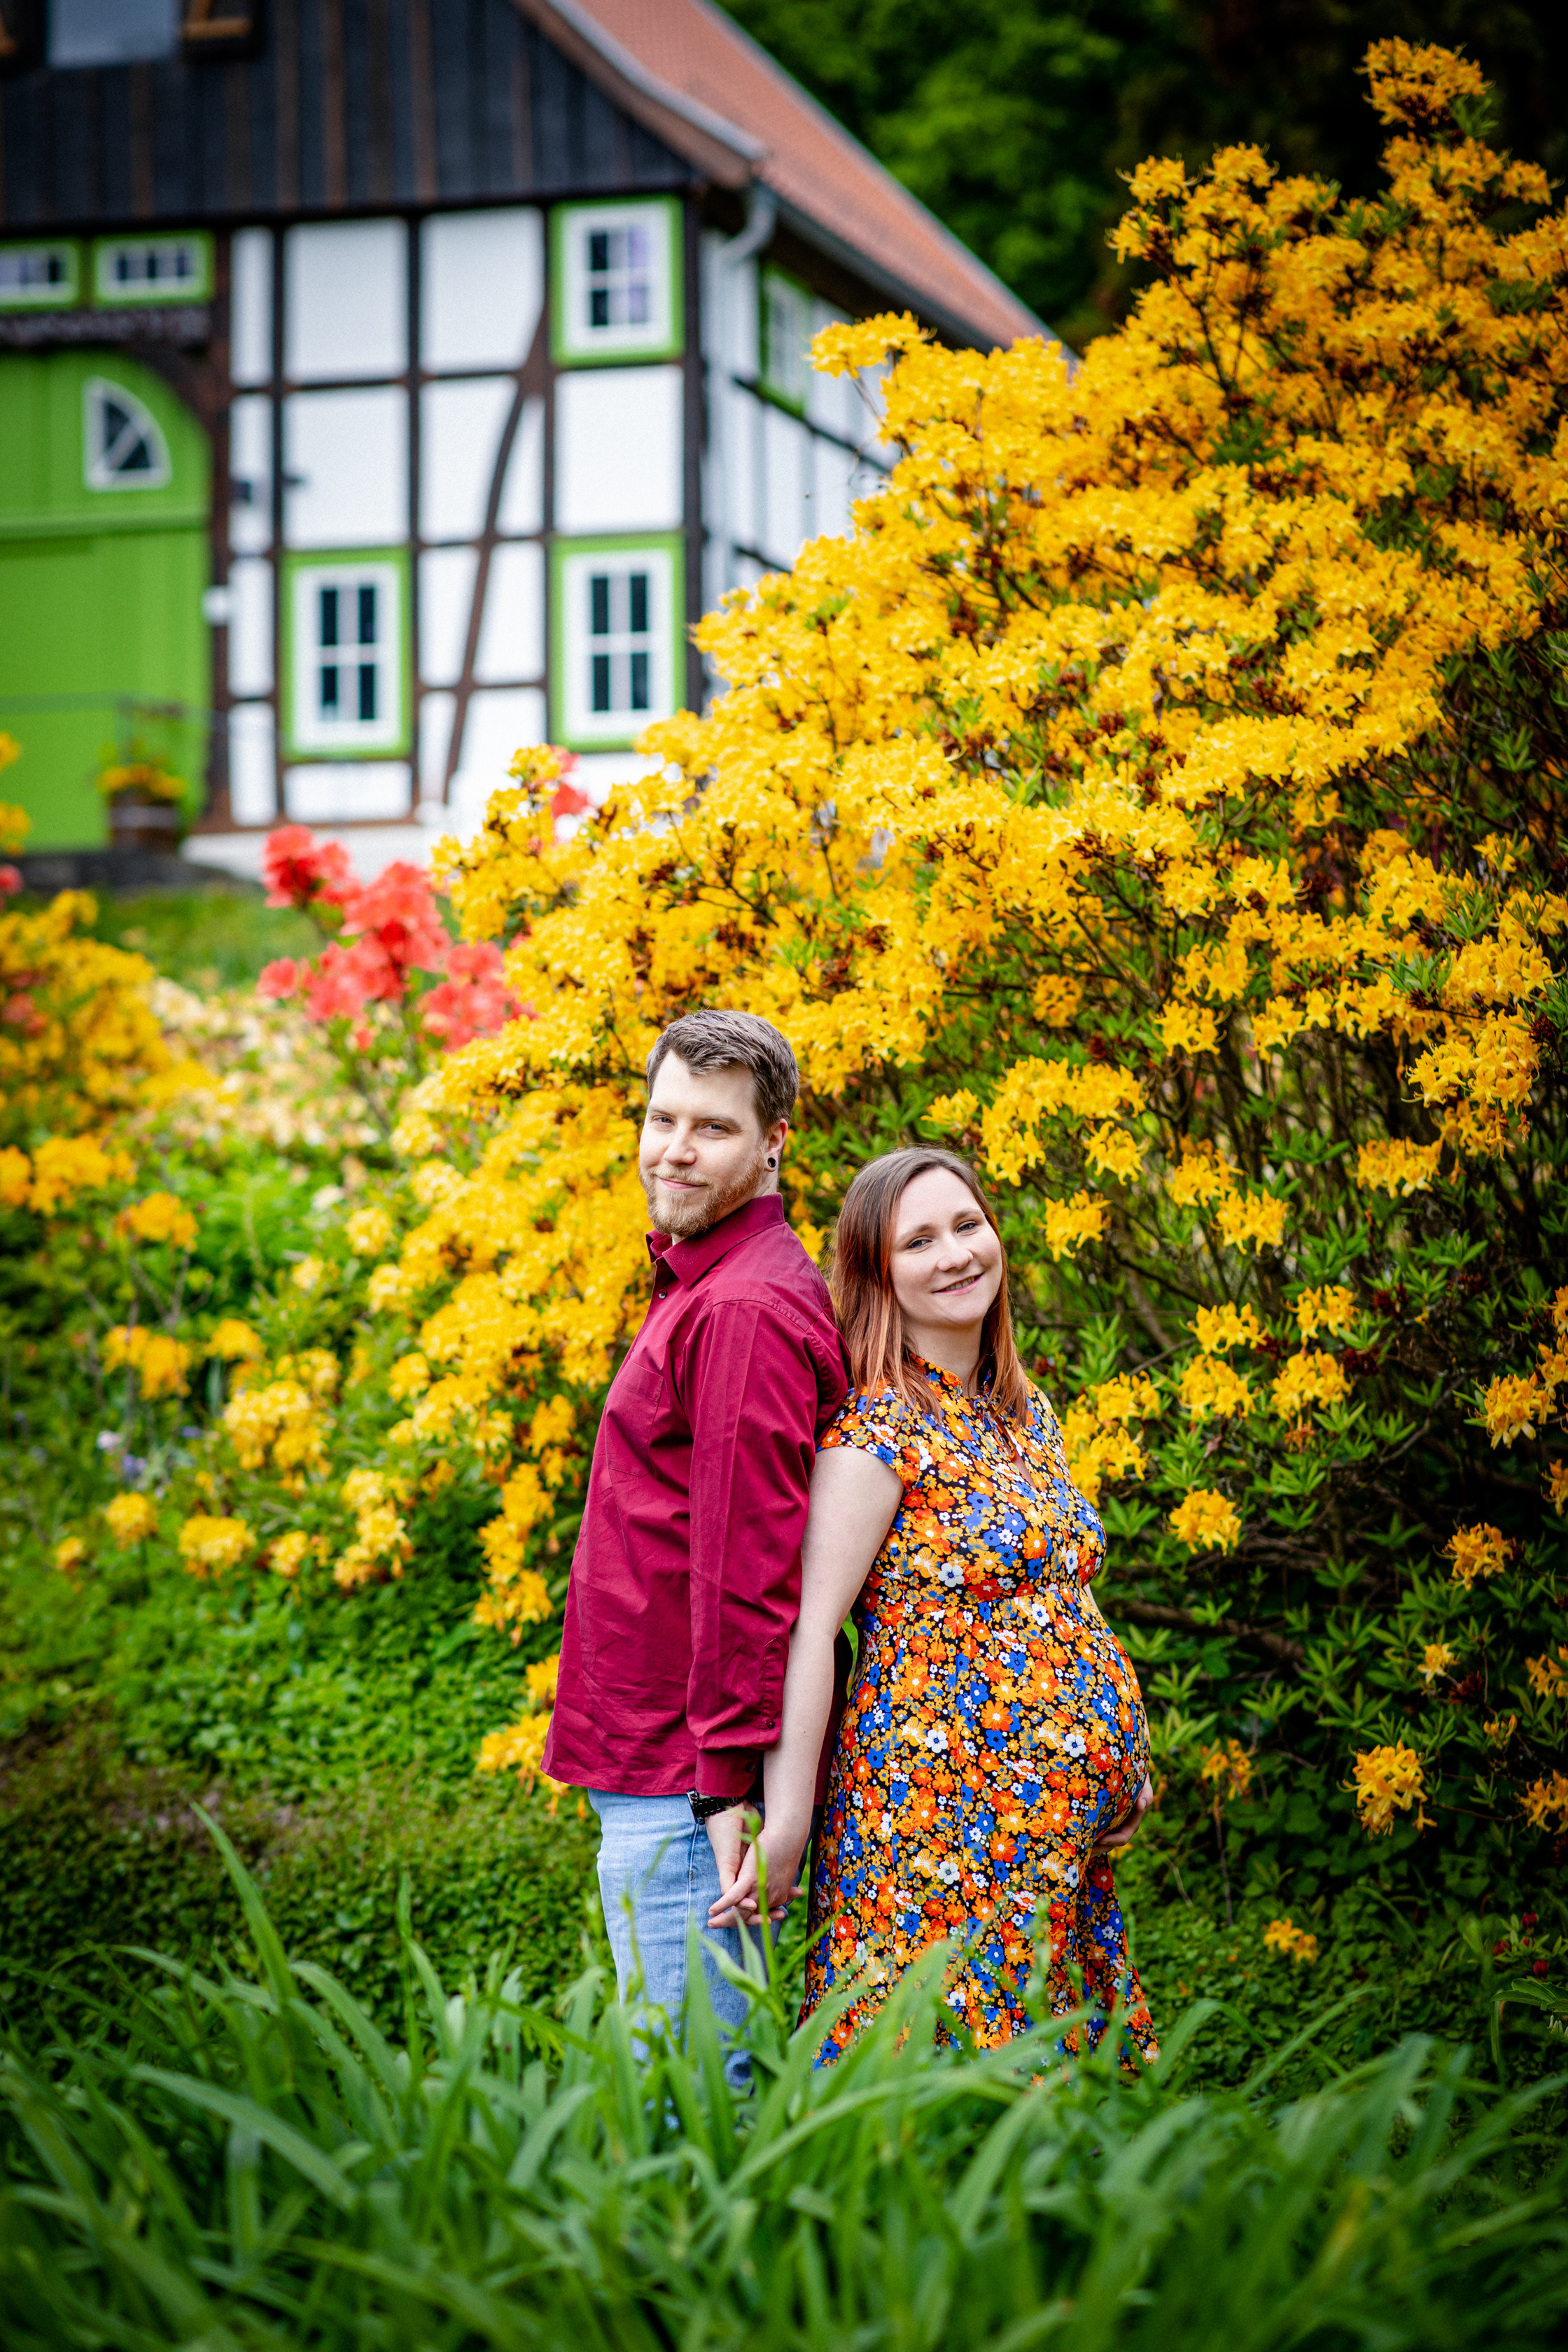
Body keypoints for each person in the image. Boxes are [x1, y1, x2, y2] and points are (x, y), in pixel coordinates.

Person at [710, 1146, 1157, 2064]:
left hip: (1052, 1824)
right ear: (878, 1275)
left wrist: (1127, 1762)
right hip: (936, 1829)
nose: (956, 1254)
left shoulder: (1025, 1411)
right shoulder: (876, 1435)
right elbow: (809, 1634)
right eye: (919, 1240)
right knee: (942, 2070)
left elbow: (1065, 1597)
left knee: (1053, 2070)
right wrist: (787, 1822)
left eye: (967, 1225)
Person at [543, 1009, 846, 2079]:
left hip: (687, 1781)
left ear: (774, 1144)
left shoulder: (747, 1310)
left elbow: (750, 1573)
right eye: (661, 1117)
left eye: (711, 1129)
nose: (674, 1148)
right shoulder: (705, 1283)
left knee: (691, 2106)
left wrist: (726, 1786)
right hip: (659, 1757)